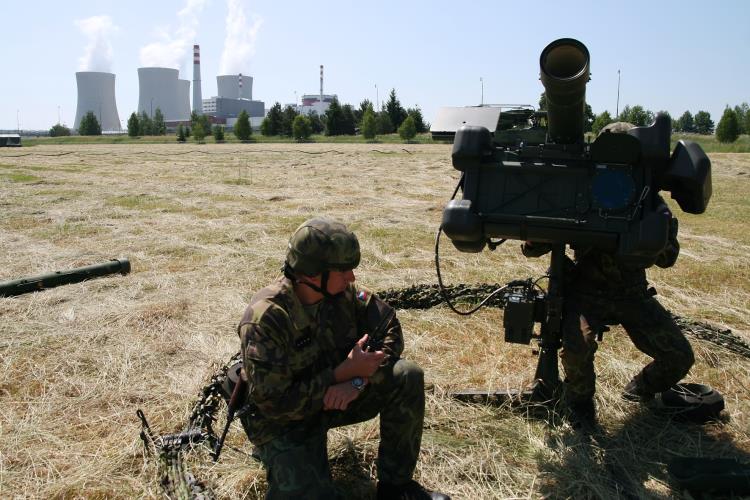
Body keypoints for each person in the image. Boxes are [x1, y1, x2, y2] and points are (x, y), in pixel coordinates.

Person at [237, 217, 449, 500]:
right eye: (343, 270)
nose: (352, 278)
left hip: (336, 396)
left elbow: (388, 326)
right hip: (284, 421)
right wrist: (339, 375)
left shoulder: (341, 294)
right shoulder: (267, 318)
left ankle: (396, 488)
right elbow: (274, 403)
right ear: (313, 274)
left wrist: (359, 380)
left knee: (406, 375)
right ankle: (278, 456)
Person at [522, 123, 695, 424]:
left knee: (679, 356)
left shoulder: (649, 202)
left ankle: (639, 390)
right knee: (578, 346)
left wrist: (648, 236)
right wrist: (544, 230)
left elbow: (669, 258)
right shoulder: (582, 193)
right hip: (586, 294)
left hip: (633, 295)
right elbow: (531, 249)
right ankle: (580, 405)